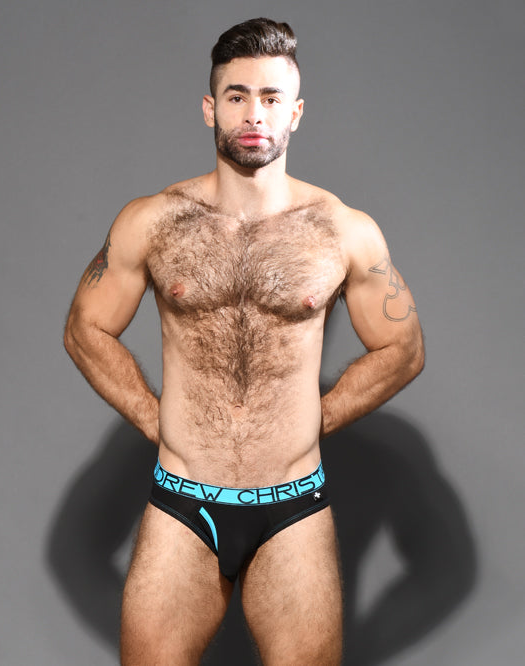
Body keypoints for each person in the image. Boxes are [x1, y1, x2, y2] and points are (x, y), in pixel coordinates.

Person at [64, 17, 424, 666]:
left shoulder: (343, 231)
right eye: (237, 96)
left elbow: (404, 349)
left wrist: (319, 417)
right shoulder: (153, 220)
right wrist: (150, 414)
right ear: (211, 108)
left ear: (296, 113)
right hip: (182, 502)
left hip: (293, 507)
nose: (254, 113)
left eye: (271, 97)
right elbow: (84, 328)